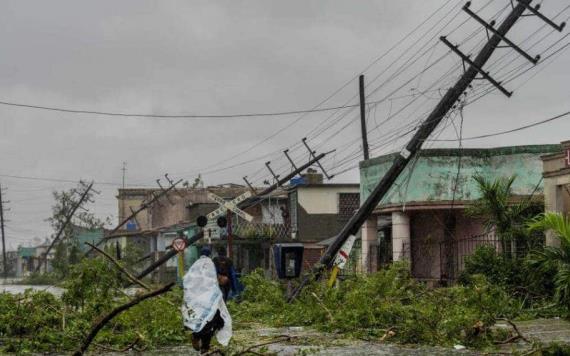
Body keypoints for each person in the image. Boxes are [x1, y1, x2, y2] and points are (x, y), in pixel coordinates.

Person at [182, 247, 232, 354]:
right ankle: (202, 343)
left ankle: (202, 343)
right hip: (209, 300)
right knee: (214, 321)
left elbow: (187, 280)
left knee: (207, 320)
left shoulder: (195, 266)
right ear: (210, 254)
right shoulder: (210, 264)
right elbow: (216, 280)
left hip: (199, 301)